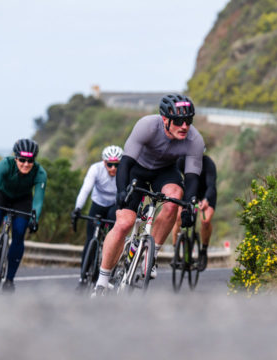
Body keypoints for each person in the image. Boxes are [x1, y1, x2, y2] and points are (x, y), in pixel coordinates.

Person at [93, 93, 205, 294]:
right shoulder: (147, 125)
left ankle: (150, 257)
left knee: (174, 199)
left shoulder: (195, 139)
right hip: (137, 169)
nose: (184, 126)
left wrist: (190, 205)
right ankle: (102, 281)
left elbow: (192, 177)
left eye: (188, 121)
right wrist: (121, 192)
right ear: (165, 119)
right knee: (124, 223)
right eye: (179, 121)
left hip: (164, 172)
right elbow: (125, 163)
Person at [0, 138, 47, 292]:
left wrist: (34, 219)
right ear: (16, 157)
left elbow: (37, 201)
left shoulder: (40, 173)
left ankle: (10, 279)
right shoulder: (5, 165)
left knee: (19, 232)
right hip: (2, 196)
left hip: (23, 201)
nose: (26, 164)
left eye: (30, 160)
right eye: (22, 160)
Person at [71, 145, 122, 286]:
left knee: (112, 236)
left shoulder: (123, 172)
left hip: (114, 204)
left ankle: (105, 268)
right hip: (98, 203)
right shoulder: (96, 169)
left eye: (116, 165)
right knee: (90, 240)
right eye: (109, 164)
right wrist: (77, 208)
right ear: (104, 162)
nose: (113, 168)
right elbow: (86, 189)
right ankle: (83, 276)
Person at [172, 153, 217, 271]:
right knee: (178, 218)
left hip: (206, 194)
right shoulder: (181, 161)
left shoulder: (208, 164)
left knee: (205, 221)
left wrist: (206, 200)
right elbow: (174, 177)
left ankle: (203, 251)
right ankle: (176, 251)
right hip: (188, 192)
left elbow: (211, 186)